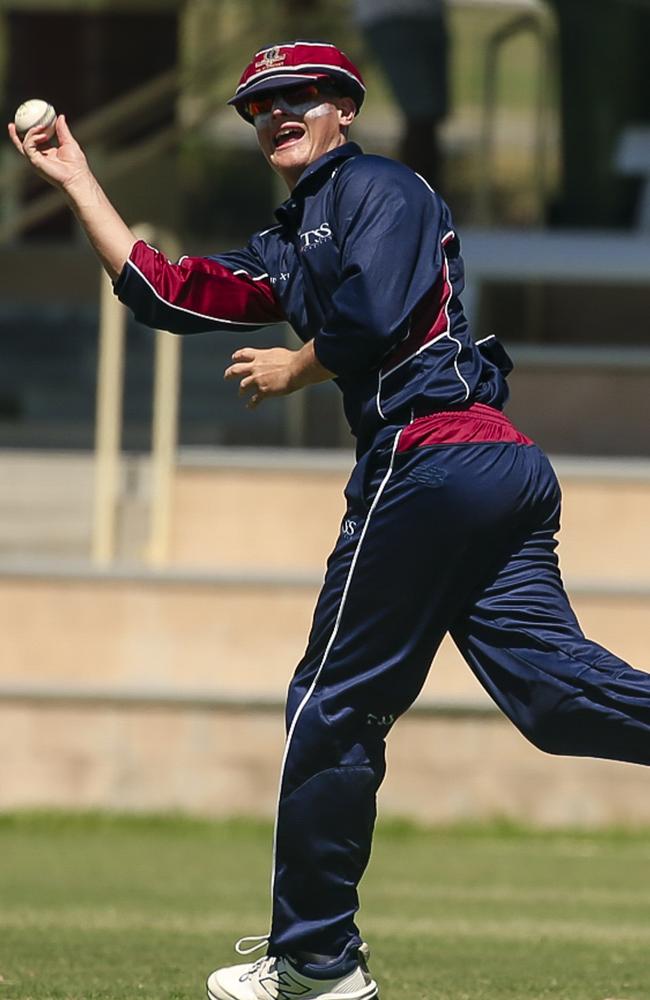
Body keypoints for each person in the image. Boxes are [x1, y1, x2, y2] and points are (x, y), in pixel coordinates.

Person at [9, 38, 650, 1000]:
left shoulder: (382, 189)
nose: (274, 112)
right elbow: (168, 293)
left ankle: (317, 959)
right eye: (258, 104)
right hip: (489, 471)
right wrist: (79, 177)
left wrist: (295, 364)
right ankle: (317, 954)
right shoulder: (293, 234)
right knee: (557, 703)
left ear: (343, 107)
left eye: (296, 96)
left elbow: (376, 314)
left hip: (432, 457)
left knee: (332, 703)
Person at [352, 0, 449, 189]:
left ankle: (423, 202)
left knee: (430, 117)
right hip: (391, 14)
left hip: (429, 14)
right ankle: (417, 203)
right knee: (421, 115)